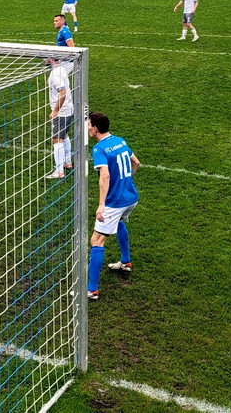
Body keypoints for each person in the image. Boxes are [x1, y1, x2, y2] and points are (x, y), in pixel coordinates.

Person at [86, 111, 140, 300]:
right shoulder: (120, 141)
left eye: (88, 124)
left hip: (115, 203)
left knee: (97, 240)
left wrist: (101, 204)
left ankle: (91, 290)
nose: (87, 127)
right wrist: (127, 182)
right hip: (131, 198)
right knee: (118, 223)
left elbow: (105, 175)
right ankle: (126, 262)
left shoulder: (99, 149)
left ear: (95, 129)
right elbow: (136, 162)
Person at [45, 57, 75, 179]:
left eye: (46, 59)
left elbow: (62, 93)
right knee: (65, 135)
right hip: (68, 109)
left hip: (62, 112)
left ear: (52, 60)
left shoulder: (56, 73)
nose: (45, 61)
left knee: (57, 139)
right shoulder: (61, 69)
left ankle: (59, 171)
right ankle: (67, 162)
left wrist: (55, 111)